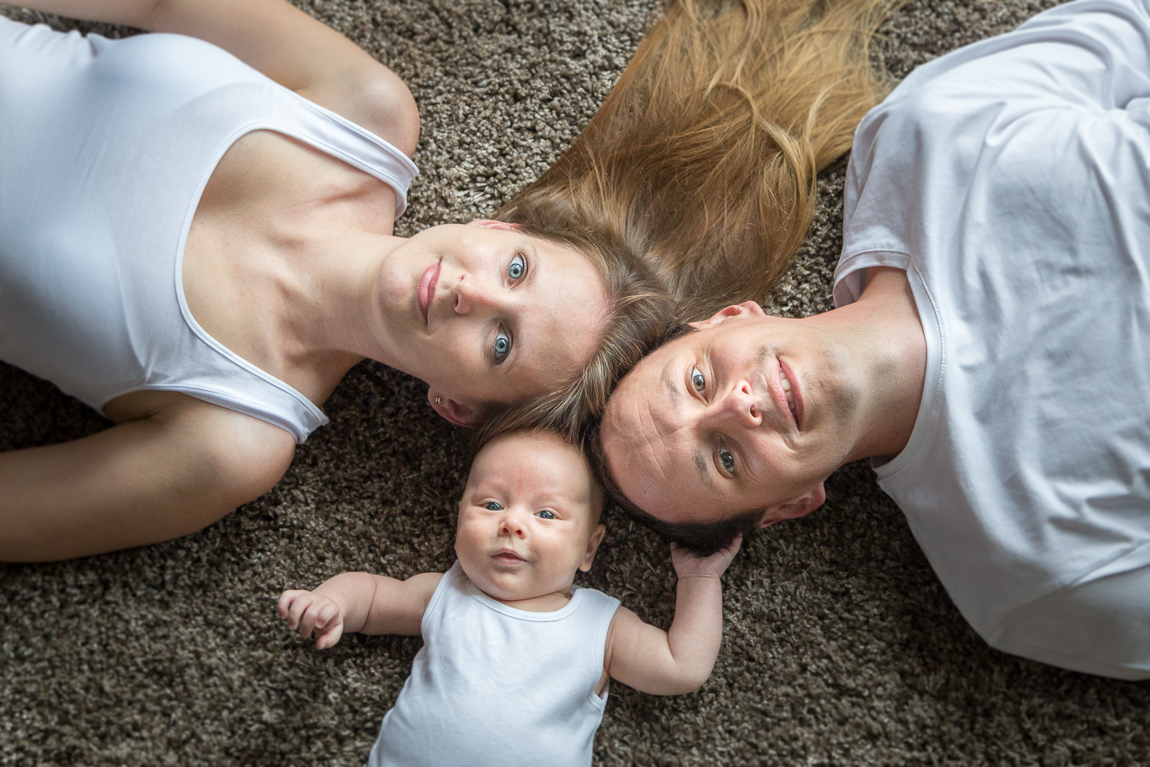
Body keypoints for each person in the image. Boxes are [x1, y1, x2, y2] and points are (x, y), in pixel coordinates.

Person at [0, 0, 897, 562]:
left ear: (455, 402)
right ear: (496, 229)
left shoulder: (234, 438)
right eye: (517, 269)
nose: (474, 293)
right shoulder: (366, 114)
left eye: (499, 342)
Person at [592, 0, 1150, 680]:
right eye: (726, 458)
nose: (737, 406)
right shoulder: (1027, 579)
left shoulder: (923, 134)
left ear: (731, 316)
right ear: (788, 506)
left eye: (698, 381)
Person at [277, 429, 741, 767]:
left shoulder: (601, 626)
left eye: (546, 513)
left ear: (589, 548)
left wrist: (700, 577)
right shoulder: (447, 592)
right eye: (492, 504)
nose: (512, 523)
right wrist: (332, 601)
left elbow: (681, 666)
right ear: (459, 515)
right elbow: (376, 596)